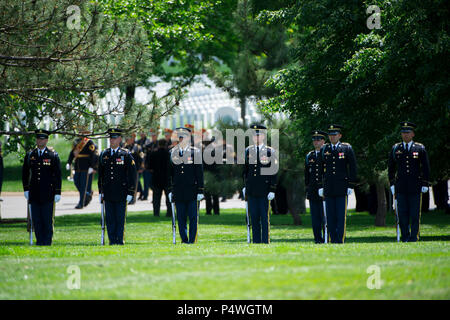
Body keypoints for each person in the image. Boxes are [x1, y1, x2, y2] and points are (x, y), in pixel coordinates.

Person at [388, 122, 430, 242]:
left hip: (415, 186)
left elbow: (426, 167)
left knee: (415, 214)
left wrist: (425, 183)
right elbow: (391, 168)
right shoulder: (396, 148)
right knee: (402, 214)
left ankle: (414, 236)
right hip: (401, 186)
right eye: (403, 133)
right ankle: (405, 236)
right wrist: (392, 184)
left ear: (413, 134)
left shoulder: (419, 148)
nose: (405, 135)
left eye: (407, 132)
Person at [318, 124, 357, 244]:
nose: (332, 137)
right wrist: (320, 185)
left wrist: (350, 185)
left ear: (340, 135)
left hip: (341, 187)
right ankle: (331, 238)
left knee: (340, 216)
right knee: (330, 216)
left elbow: (353, 167)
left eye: (334, 134)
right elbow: (320, 168)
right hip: (329, 187)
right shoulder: (325, 149)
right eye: (330, 135)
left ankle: (340, 239)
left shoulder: (346, 148)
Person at [22, 129, 62, 245]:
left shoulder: (52, 155)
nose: (40, 141)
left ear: (47, 140)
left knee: (47, 220)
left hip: (48, 193)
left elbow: (58, 175)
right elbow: (25, 173)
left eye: (43, 138)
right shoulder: (31, 155)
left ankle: (47, 242)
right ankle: (39, 241)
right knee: (37, 220)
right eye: (38, 138)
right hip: (34, 192)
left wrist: (58, 192)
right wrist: (26, 189)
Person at [97, 128, 137, 245]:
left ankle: (119, 240)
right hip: (108, 192)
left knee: (120, 219)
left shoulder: (126, 154)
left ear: (119, 139)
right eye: (111, 138)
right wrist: (100, 192)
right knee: (110, 219)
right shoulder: (104, 154)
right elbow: (101, 175)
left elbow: (132, 175)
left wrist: (131, 192)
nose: (112, 140)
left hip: (121, 192)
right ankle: (112, 240)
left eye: (114, 138)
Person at [168, 127, 204, 243]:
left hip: (192, 190)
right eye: (180, 137)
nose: (182, 139)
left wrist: (200, 190)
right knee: (181, 217)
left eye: (184, 136)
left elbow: (199, 173)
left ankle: (192, 240)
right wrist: (170, 190)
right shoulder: (172, 152)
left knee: (193, 217)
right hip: (178, 190)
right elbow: (170, 174)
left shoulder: (195, 152)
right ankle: (184, 239)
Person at [242, 124, 278, 244]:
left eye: (259, 135)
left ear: (263, 136)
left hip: (264, 190)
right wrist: (245, 186)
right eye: (254, 135)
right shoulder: (248, 150)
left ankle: (265, 240)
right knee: (254, 217)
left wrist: (272, 189)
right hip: (252, 190)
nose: (256, 137)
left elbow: (273, 171)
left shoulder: (269, 151)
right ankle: (256, 241)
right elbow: (245, 171)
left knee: (264, 217)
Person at [305, 130, 327, 243]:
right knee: (315, 218)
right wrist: (307, 189)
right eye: (314, 140)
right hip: (313, 191)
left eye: (318, 140)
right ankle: (317, 238)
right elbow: (307, 175)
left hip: (325, 191)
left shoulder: (327, 153)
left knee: (325, 217)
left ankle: (327, 237)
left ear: (323, 141)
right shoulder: (310, 156)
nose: (316, 142)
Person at [66, 130, 98, 208]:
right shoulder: (76, 142)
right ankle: (87, 194)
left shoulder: (89, 142)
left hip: (86, 167)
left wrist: (93, 167)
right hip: (77, 166)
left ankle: (81, 204)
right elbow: (72, 153)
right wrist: (69, 162)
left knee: (83, 185)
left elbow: (93, 155)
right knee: (76, 182)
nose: (81, 134)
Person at [150, 139, 172, 217]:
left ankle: (156, 213)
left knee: (156, 198)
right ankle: (169, 212)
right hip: (167, 178)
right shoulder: (169, 154)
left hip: (156, 178)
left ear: (158, 144)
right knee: (169, 197)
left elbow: (149, 166)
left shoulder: (153, 153)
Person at [124, 134, 144, 204]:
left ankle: (133, 199)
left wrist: (141, 166)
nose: (129, 139)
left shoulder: (137, 147)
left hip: (135, 169)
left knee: (134, 183)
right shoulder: (124, 147)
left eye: (131, 138)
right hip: (126, 169)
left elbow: (142, 157)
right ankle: (127, 198)